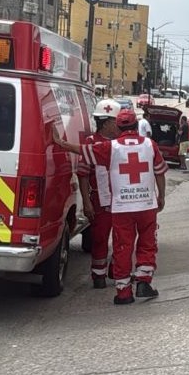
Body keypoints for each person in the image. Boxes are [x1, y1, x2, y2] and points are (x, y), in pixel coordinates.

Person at [54, 108, 167, 305]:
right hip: (146, 206)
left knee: (122, 247)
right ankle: (143, 282)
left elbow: (82, 150)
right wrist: (161, 196)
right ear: (135, 125)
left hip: (122, 207)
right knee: (147, 244)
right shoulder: (150, 145)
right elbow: (159, 173)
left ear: (120, 126)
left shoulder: (111, 147)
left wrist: (61, 143)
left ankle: (123, 292)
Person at [75, 99, 122, 289]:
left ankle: (115, 269)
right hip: (100, 201)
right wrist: (86, 202)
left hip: (121, 201)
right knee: (100, 238)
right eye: (116, 123)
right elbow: (83, 174)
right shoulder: (91, 143)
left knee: (122, 239)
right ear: (108, 123)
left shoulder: (121, 143)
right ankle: (98, 274)